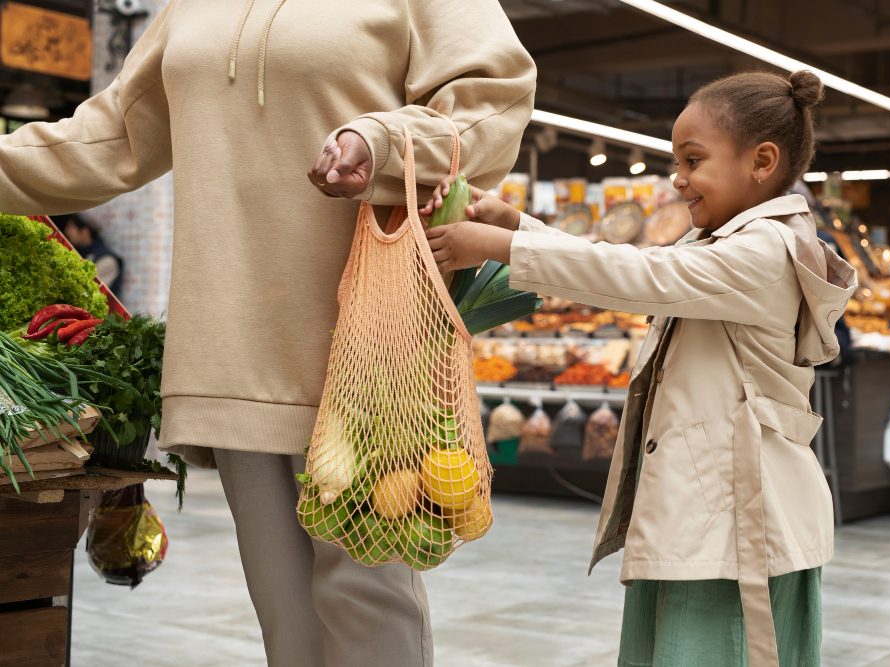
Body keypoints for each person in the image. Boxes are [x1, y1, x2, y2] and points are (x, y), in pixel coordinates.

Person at [0, 1, 535, 665]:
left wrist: (384, 143)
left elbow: (494, 99)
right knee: (284, 615)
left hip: (364, 344)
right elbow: (110, 137)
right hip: (227, 343)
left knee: (367, 603)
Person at [423, 70, 857, 667]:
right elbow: (628, 263)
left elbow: (641, 276)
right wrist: (517, 225)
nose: (678, 178)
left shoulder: (767, 252)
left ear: (762, 161)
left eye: (693, 160)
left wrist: (501, 246)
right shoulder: (724, 244)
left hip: (739, 527)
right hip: (703, 514)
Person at [52, 214, 125, 295]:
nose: (67, 231)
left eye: (71, 227)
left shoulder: (107, 260)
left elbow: (87, 293)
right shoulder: (78, 254)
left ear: (85, 232)